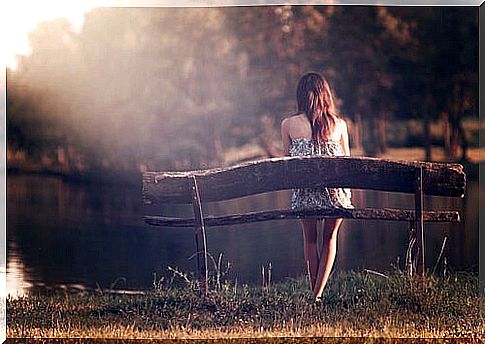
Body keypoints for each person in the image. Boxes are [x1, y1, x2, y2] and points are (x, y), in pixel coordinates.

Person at [280, 72, 353, 301]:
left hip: (304, 197)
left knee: (310, 239)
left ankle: (315, 296)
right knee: (329, 238)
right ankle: (317, 295)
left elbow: (287, 165)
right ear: (326, 95)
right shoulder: (339, 125)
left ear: (301, 96)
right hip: (336, 197)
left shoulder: (288, 125)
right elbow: (349, 165)